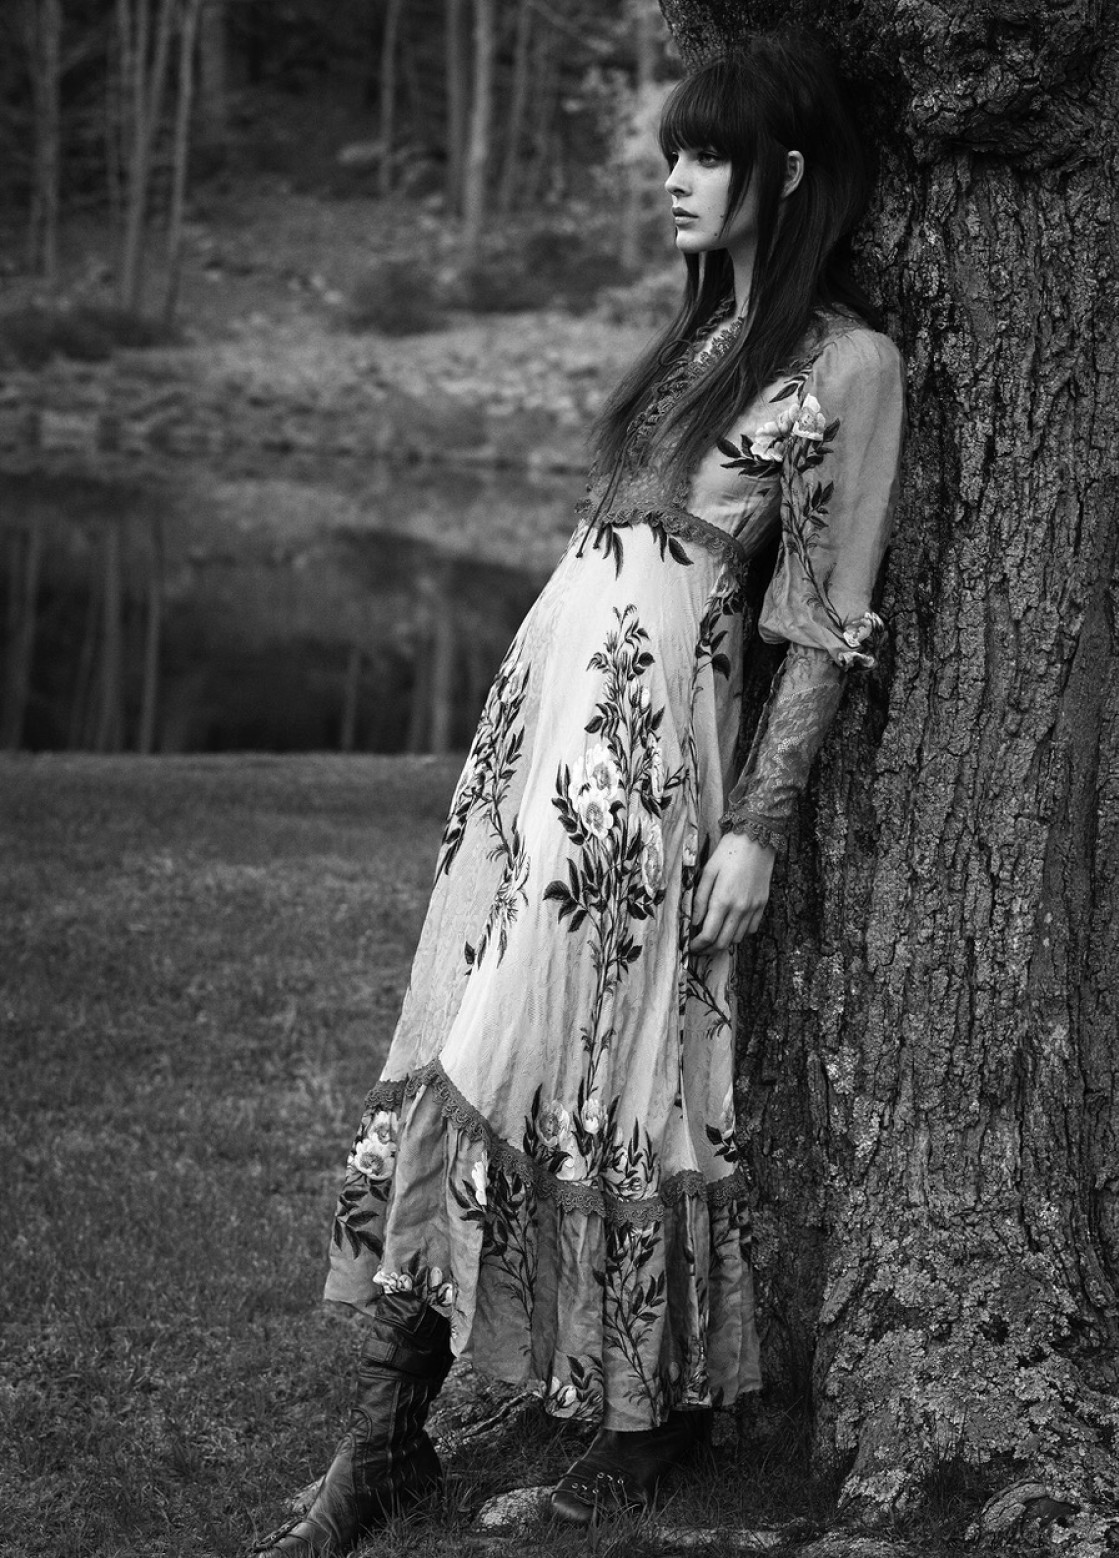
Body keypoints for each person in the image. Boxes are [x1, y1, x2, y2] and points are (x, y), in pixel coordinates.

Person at [253, 30, 904, 1558]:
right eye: (673, 152)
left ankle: (584, 1423)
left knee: (587, 1071)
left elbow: (824, 617)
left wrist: (760, 825)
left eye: (706, 155)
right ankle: (406, 1431)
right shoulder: (693, 344)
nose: (673, 178)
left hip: (645, 756)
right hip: (538, 742)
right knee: (464, 1036)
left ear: (786, 173)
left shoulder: (848, 367)